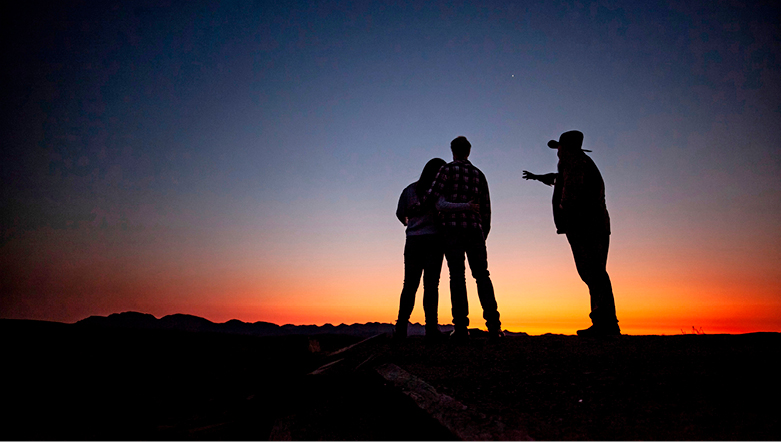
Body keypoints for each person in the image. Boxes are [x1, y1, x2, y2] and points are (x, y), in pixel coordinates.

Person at [522, 130, 620, 336]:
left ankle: (606, 324)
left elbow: (571, 192)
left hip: (586, 226)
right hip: (594, 225)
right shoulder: (579, 163)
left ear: (567, 148)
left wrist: (567, 215)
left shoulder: (575, 163)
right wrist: (538, 177)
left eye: (559, 147)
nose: (557, 151)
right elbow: (558, 179)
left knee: (592, 272)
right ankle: (604, 322)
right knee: (595, 273)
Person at [417, 136, 503, 340]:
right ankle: (494, 326)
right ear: (469, 151)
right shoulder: (479, 175)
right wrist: (484, 232)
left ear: (452, 150)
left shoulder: (446, 170)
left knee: (457, 276)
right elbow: (486, 207)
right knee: (482, 275)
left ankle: (461, 327)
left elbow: (432, 196)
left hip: (452, 231)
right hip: (475, 231)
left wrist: (418, 206)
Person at [395, 158, 476, 340]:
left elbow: (400, 213)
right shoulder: (439, 191)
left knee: (409, 285)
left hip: (413, 241)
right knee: (431, 285)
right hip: (434, 240)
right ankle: (431, 328)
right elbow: (445, 208)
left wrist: (411, 223)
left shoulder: (409, 190)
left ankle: (401, 327)